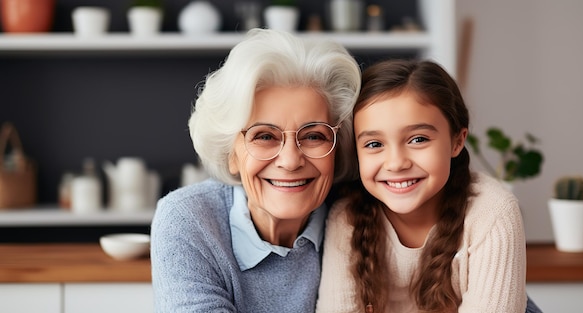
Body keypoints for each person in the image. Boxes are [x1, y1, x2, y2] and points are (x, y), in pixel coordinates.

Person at [151, 28, 361, 312]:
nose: (290, 160)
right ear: (231, 154)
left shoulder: (358, 217)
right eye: (264, 136)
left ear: (336, 148)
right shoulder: (189, 220)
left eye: (313, 136)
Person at [316, 59, 542, 313]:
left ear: (457, 141)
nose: (396, 163)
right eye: (374, 144)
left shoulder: (493, 213)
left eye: (418, 139)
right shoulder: (347, 219)